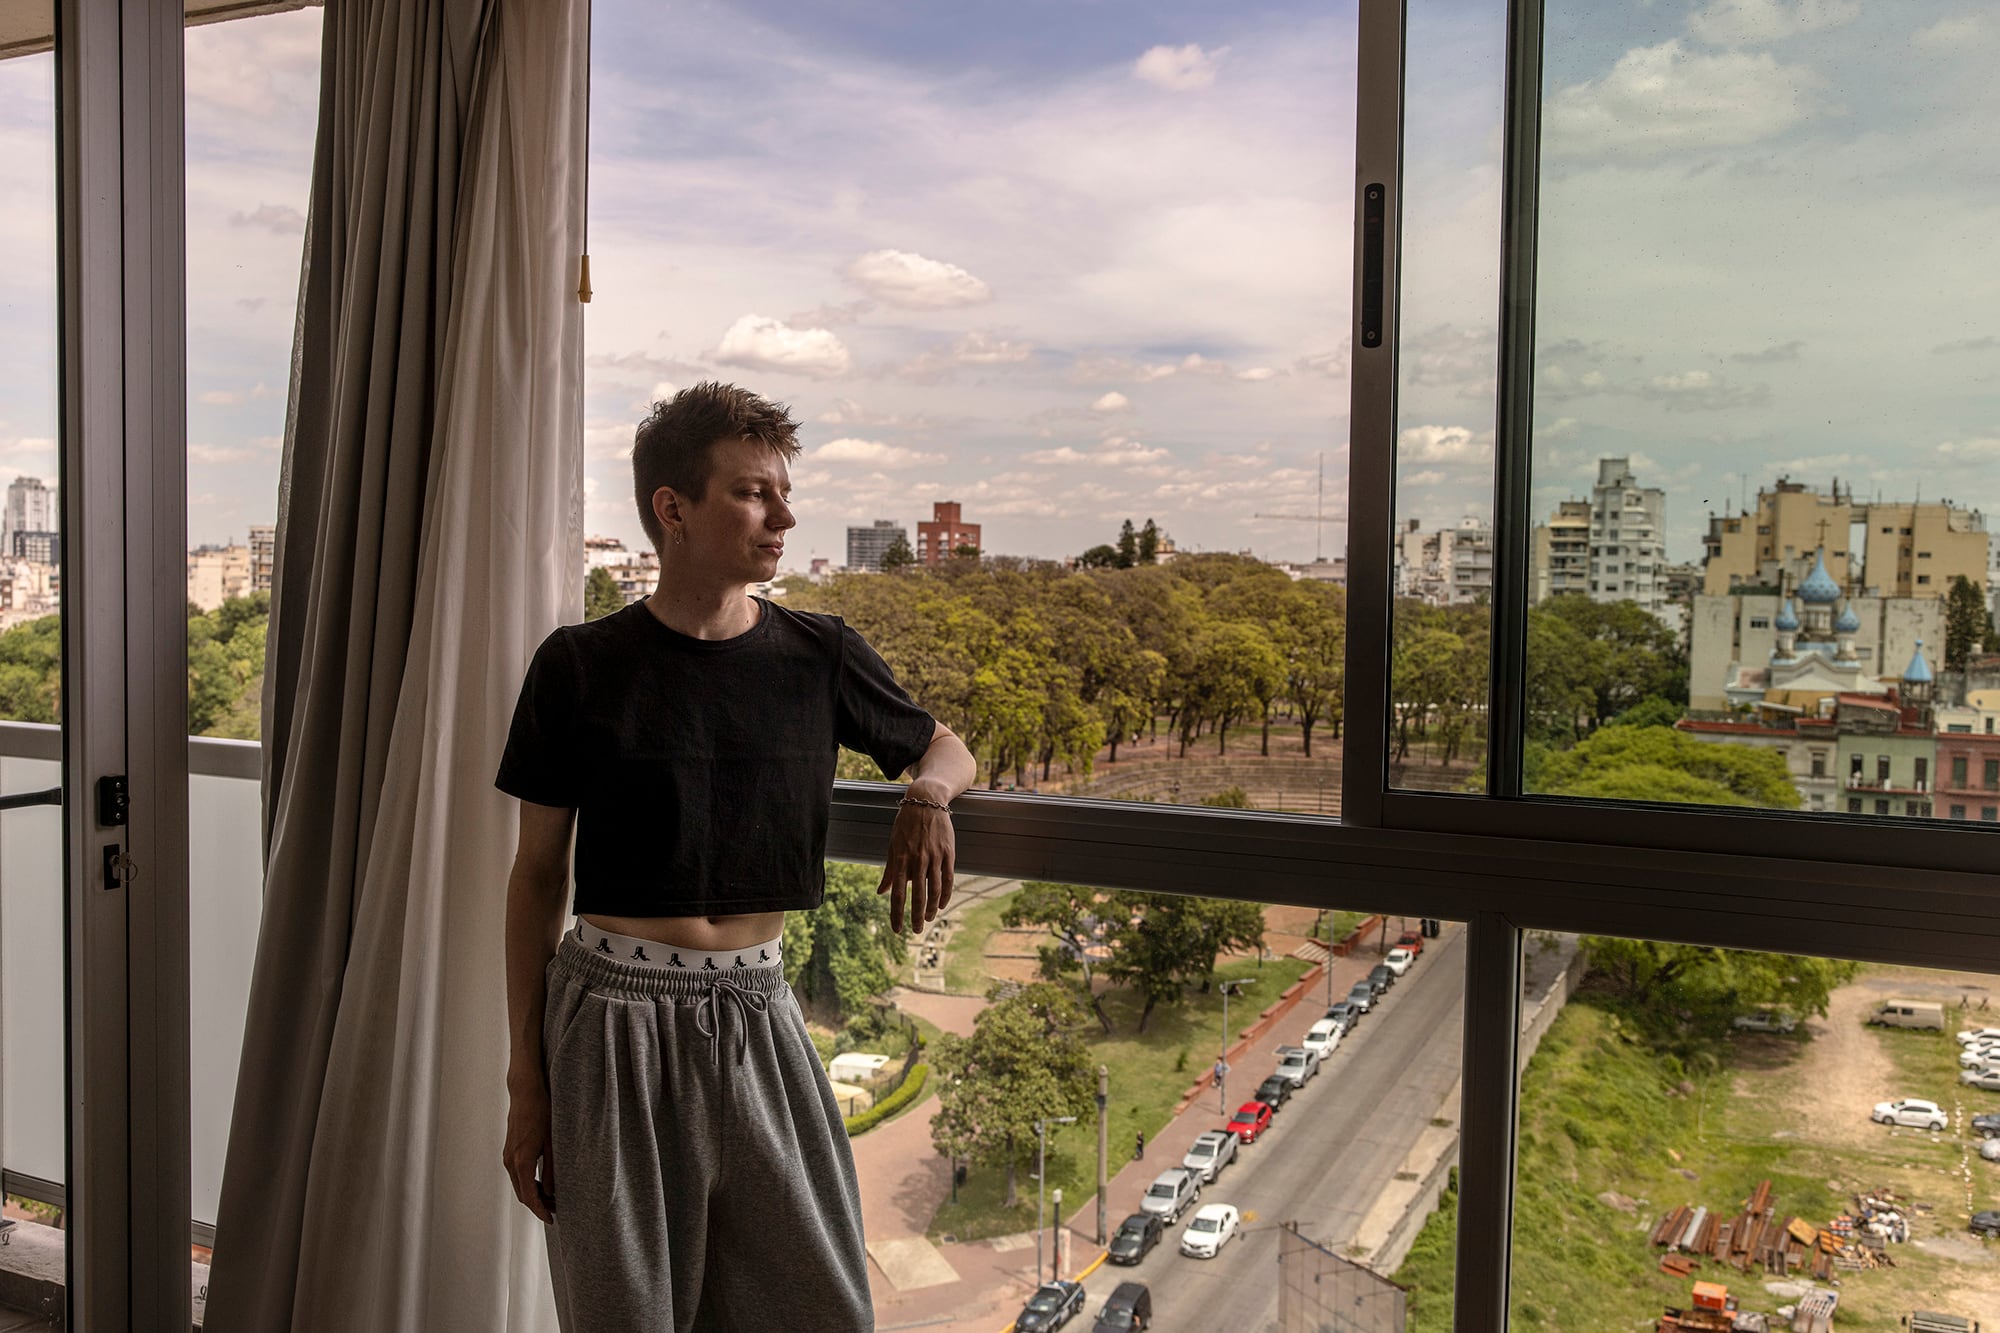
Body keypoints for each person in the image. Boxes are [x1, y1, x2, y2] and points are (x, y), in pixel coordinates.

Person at [497, 383, 977, 1332]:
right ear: (672, 508)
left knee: (820, 1307)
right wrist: (527, 1080)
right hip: (609, 1020)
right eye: (754, 492)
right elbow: (537, 876)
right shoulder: (577, 667)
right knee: (627, 1312)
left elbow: (945, 745)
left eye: (783, 493)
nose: (785, 516)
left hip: (761, 1008)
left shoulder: (820, 654)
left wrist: (927, 795)